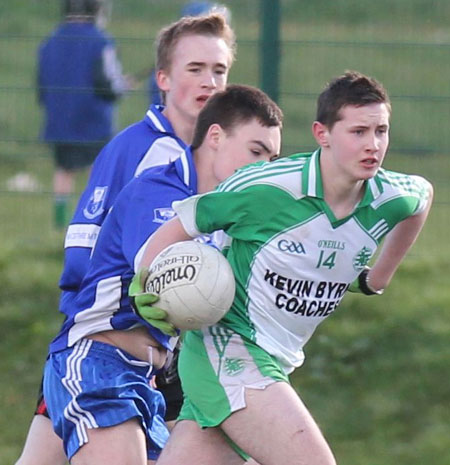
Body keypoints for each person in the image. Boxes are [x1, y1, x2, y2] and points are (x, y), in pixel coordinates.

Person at [135, 71, 434, 465]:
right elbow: (173, 231)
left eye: (381, 131)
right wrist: (145, 282)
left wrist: (378, 277)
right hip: (226, 350)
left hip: (278, 358)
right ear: (322, 134)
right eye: (358, 131)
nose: (373, 145)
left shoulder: (389, 196)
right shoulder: (265, 188)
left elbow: (423, 197)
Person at [15, 11, 236, 465]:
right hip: (107, 342)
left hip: (150, 351)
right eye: (195, 69)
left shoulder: (210, 158)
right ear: (163, 79)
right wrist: (128, 308)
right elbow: (84, 252)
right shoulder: (145, 150)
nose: (209, 81)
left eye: (219, 70)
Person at [42, 84, 283, 464]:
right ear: (216, 136)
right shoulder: (161, 188)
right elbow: (159, 268)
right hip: (96, 361)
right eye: (256, 152)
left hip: (150, 381)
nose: (264, 169)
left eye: (272, 159)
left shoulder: (224, 215)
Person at [37, 0, 131, 229]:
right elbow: (108, 84)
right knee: (97, 172)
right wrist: (122, 86)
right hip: (93, 121)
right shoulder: (101, 42)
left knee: (64, 169)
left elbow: (42, 85)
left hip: (59, 121)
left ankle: (60, 222)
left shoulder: (49, 42)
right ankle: (93, 221)